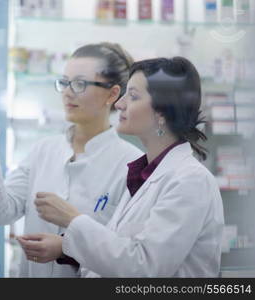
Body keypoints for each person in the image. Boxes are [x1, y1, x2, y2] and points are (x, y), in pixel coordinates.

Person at [19, 57, 225, 277]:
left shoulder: (190, 181)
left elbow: (145, 267)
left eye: (133, 96)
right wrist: (66, 248)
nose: (119, 103)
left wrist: (73, 219)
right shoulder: (144, 174)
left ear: (162, 112)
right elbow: (121, 249)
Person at [0, 42, 143, 277]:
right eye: (65, 82)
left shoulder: (132, 165)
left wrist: (68, 250)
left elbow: (128, 259)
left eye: (79, 83)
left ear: (113, 93)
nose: (67, 92)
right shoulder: (44, 150)